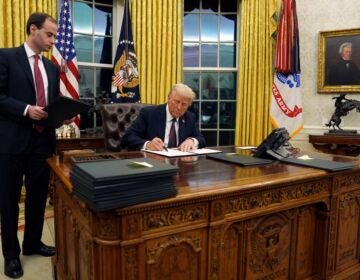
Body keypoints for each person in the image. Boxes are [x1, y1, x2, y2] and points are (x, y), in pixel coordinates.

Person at [0, 13, 66, 278]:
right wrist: (26, 109)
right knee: (9, 201)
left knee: (38, 198)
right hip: (11, 141)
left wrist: (62, 112)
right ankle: (11, 256)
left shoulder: (51, 67)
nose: (53, 41)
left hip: (42, 141)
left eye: (54, 36)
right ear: (33, 30)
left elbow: (52, 101)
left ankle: (32, 243)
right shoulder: (6, 57)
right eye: (49, 35)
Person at [121, 83, 206, 151]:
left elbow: (201, 139)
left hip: (179, 163)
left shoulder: (189, 117)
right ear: (169, 98)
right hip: (152, 162)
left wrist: (192, 141)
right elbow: (128, 137)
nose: (179, 107)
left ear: (189, 105)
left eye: (184, 104)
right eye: (176, 102)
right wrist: (148, 144)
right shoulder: (149, 114)